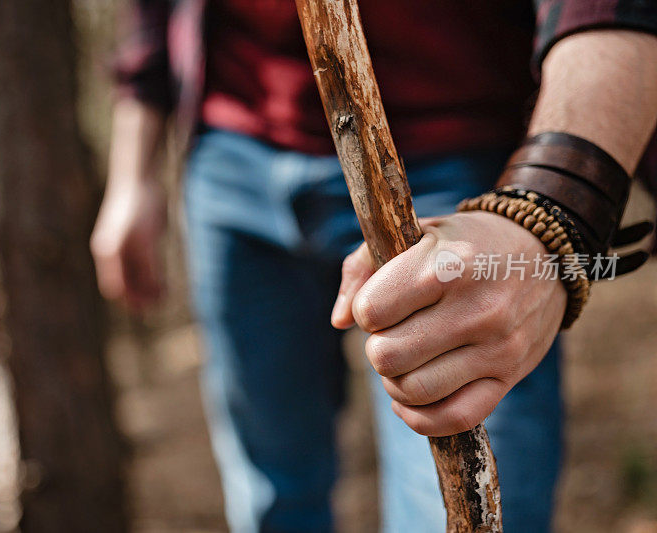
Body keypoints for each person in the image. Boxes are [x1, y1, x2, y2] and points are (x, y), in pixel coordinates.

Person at [91, 1, 657, 531]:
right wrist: (132, 168)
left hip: (459, 160)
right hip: (228, 156)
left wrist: (547, 212)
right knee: (269, 491)